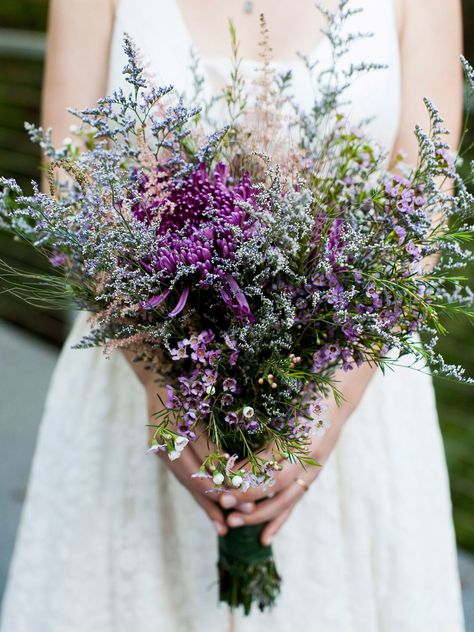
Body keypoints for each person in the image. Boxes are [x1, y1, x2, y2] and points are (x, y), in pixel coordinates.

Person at [0, 0, 466, 630]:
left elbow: (425, 213)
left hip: (356, 391)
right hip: (139, 374)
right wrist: (159, 379)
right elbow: (70, 185)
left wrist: (332, 411)